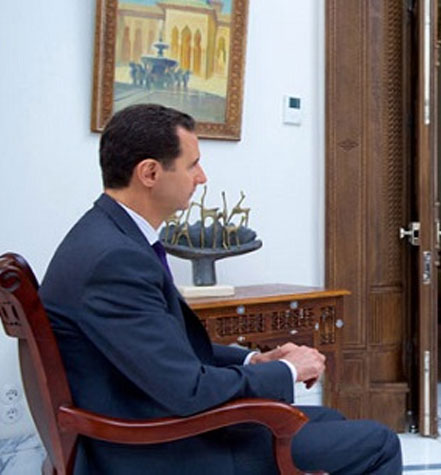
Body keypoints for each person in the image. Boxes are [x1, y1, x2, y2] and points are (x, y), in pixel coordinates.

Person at [39, 104, 402, 474]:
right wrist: (288, 370)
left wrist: (254, 361)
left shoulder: (107, 236)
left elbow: (167, 352)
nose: (202, 177)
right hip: (152, 450)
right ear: (150, 173)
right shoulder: (114, 260)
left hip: (147, 423)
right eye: (192, 165)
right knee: (379, 443)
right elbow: (188, 390)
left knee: (331, 420)